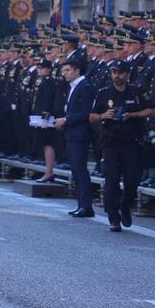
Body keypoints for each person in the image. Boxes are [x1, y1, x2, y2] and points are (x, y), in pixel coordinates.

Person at [89, 60, 152, 231]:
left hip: (131, 143)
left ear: (127, 74)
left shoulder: (136, 91)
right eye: (114, 72)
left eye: (120, 73)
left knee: (132, 181)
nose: (117, 76)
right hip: (110, 143)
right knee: (111, 182)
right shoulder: (104, 93)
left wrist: (133, 115)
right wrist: (104, 116)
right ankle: (113, 218)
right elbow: (92, 116)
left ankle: (125, 207)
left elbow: (151, 110)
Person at [54, 58, 97, 217]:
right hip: (71, 132)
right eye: (63, 71)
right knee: (75, 169)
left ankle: (86, 206)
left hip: (80, 134)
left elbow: (86, 113)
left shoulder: (85, 87)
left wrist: (66, 120)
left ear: (77, 70)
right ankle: (81, 205)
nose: (64, 74)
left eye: (67, 70)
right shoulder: (73, 86)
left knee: (80, 169)